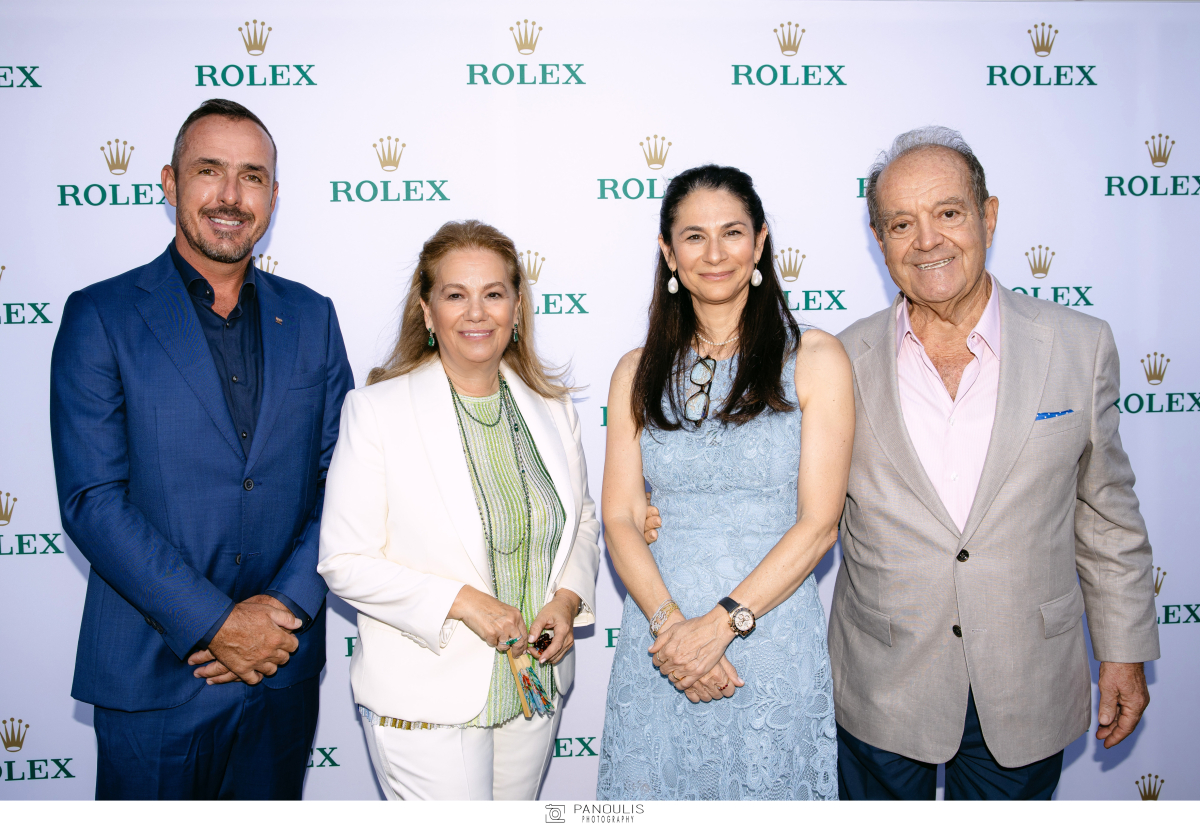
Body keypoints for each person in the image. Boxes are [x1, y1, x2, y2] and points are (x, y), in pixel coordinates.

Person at [831, 127, 1159, 800]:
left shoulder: (1079, 346)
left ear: (989, 215)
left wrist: (1124, 651)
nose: (927, 241)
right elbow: (798, 505)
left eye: (948, 213)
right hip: (882, 681)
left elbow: (1107, 517)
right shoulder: (838, 360)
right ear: (879, 239)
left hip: (1026, 680)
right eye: (901, 224)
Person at [49, 98, 353, 799]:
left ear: (273, 196)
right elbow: (92, 500)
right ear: (169, 182)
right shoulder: (101, 315)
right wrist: (216, 624)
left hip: (280, 667)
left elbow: (344, 480)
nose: (230, 196)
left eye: (252, 177)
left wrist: (280, 611)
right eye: (209, 170)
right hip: (154, 672)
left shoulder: (312, 316)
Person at [317, 220, 600, 801]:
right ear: (427, 311)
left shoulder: (553, 407)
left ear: (516, 307)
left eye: (493, 293)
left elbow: (582, 522)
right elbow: (343, 562)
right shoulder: (376, 412)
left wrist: (567, 600)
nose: (476, 312)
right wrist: (463, 602)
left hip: (532, 688)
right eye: (455, 295)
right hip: (426, 697)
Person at [596, 165, 854, 800]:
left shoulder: (815, 358)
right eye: (694, 236)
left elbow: (820, 523)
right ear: (669, 253)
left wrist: (719, 627)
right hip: (660, 641)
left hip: (770, 634)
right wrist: (672, 630)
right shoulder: (635, 371)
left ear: (760, 242)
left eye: (732, 232)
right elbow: (620, 517)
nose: (714, 253)